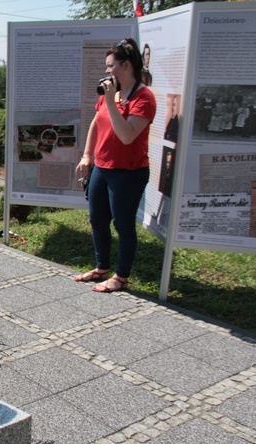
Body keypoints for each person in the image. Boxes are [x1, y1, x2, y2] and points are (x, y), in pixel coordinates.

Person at [74, 38, 156, 293]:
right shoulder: (112, 93)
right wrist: (87, 155)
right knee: (97, 219)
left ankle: (121, 276)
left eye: (111, 66)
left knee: (122, 223)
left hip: (129, 172)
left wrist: (111, 102)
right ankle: (102, 268)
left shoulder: (144, 98)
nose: (107, 71)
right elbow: (97, 123)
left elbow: (128, 135)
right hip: (102, 168)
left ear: (127, 65)